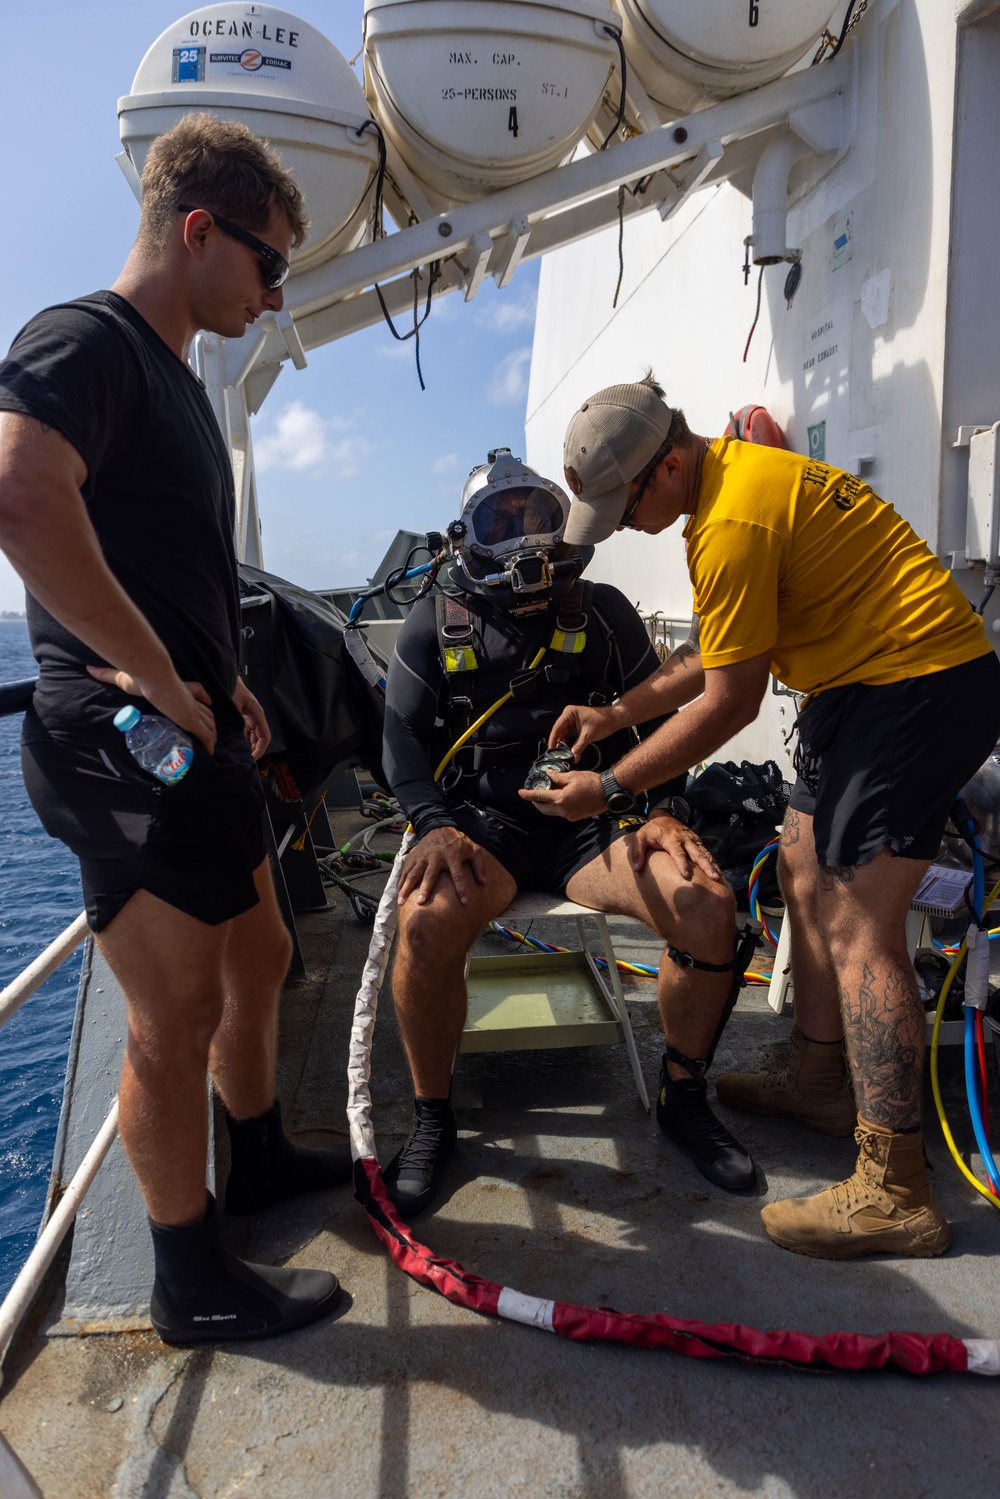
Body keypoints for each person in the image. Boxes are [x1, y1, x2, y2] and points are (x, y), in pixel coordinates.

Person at [0, 114, 352, 1344]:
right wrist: (155, 674)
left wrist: (228, 677)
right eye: (268, 263)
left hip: (204, 729)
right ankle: (188, 1276)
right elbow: (18, 492)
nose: (274, 292)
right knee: (173, 1017)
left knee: (260, 955)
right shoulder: (82, 338)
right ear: (198, 230)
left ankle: (252, 1155)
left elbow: (171, 562)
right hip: (126, 744)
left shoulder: (179, 381)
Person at [534, 373, 1000, 1260]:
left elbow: (730, 705)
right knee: (797, 865)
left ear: (666, 466)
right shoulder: (725, 488)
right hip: (857, 684)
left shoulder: (734, 516)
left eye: (626, 508)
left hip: (918, 688)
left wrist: (612, 786)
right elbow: (720, 642)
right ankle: (821, 1077)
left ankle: (896, 1182)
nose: (626, 527)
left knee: (863, 919)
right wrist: (615, 713)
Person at [381, 447, 758, 1217]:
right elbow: (398, 744)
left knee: (709, 906)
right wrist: (432, 825)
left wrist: (663, 808)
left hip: (601, 822)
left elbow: (660, 716)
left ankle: (683, 1098)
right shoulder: (432, 623)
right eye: (502, 519)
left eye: (538, 516)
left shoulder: (606, 610)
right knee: (421, 924)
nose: (523, 536)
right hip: (485, 830)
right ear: (468, 535)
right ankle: (432, 1117)